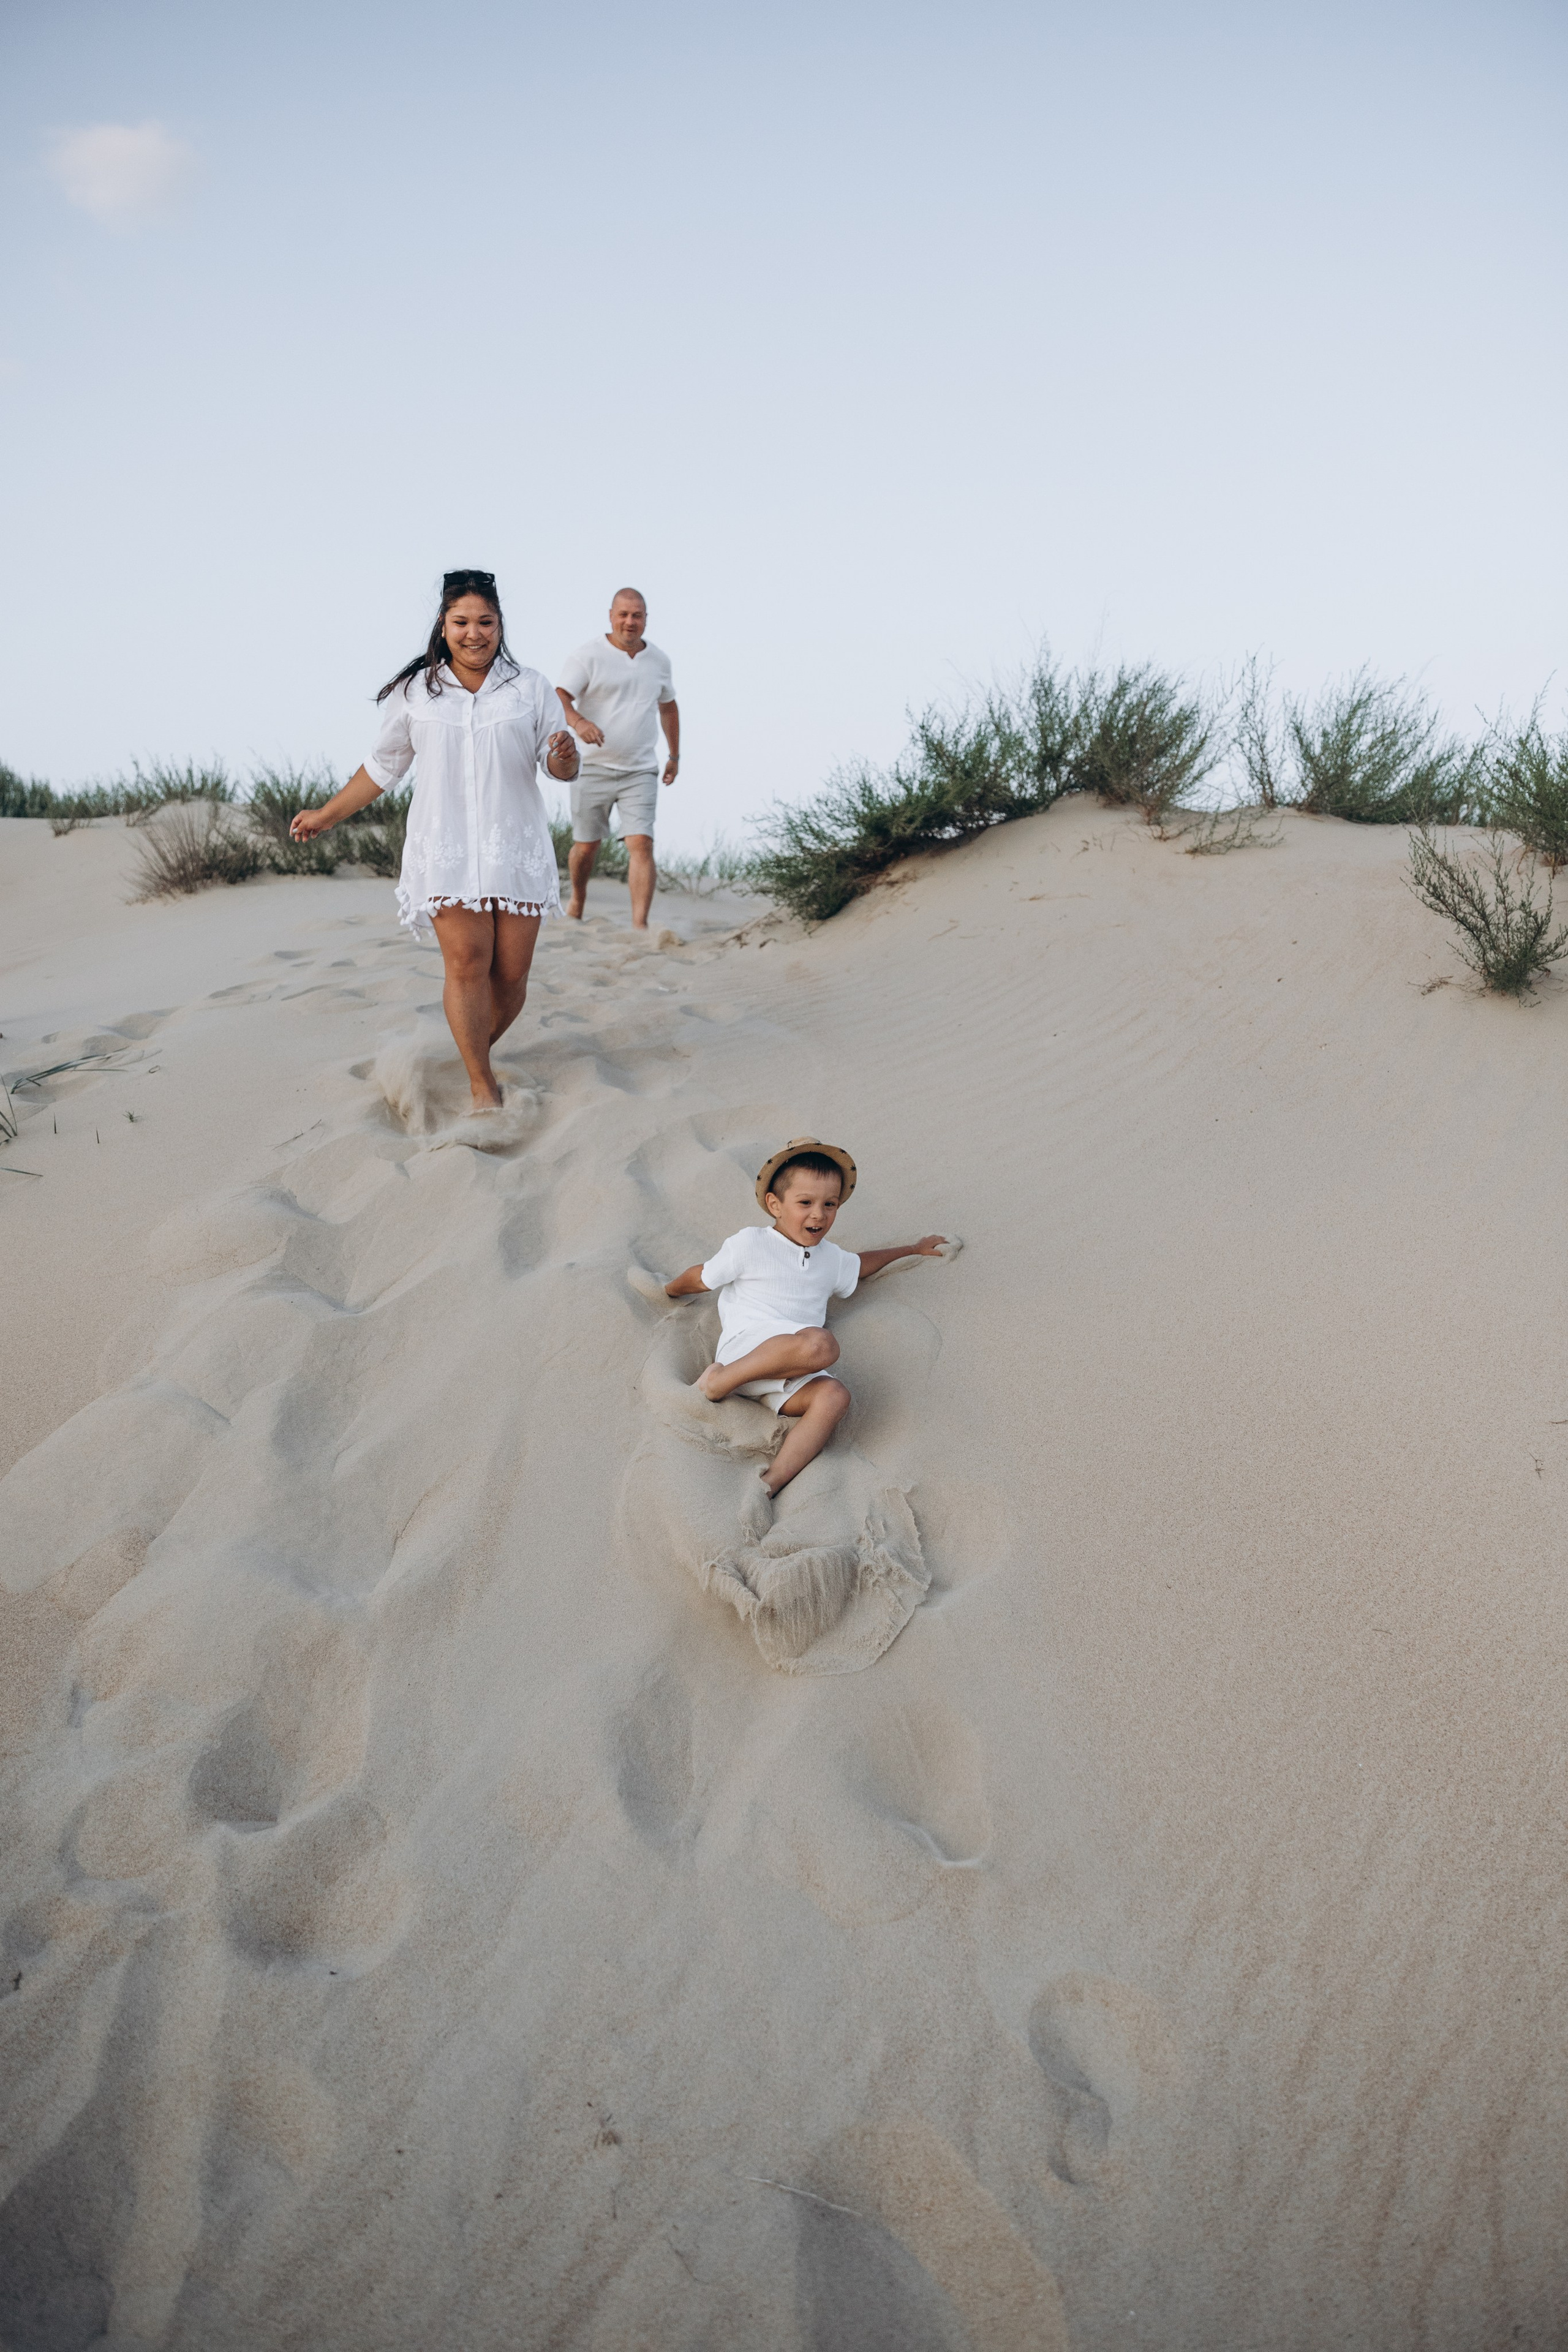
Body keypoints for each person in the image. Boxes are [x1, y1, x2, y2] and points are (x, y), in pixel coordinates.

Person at [290, 570, 578, 1111]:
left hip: (512, 848)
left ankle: (469, 1051)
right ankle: (480, 1082)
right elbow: (383, 767)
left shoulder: (530, 687)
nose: (475, 633)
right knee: (468, 961)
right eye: (462, 622)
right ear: (443, 627)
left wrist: (564, 756)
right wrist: (327, 814)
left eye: (485, 622)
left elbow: (558, 765)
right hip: (444, 847)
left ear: (500, 624)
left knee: (511, 979)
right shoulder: (416, 692)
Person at [663, 1139, 948, 1508]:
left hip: (788, 1376)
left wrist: (911, 1249)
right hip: (747, 1356)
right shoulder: (752, 1243)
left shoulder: (829, 1258)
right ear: (775, 1205)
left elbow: (859, 1266)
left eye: (830, 1204)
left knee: (835, 1396)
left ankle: (770, 1484)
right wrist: (668, 1290)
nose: (819, 1214)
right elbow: (702, 1277)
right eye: (806, 1203)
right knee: (821, 1345)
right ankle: (718, 1382)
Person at [556, 588, 679, 930]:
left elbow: (668, 706)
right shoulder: (588, 656)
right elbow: (560, 696)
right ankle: (578, 899)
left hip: (640, 769)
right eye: (623, 614)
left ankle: (640, 926)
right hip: (593, 767)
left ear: (646, 619)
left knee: (641, 842)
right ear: (611, 616)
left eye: (637, 615)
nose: (630, 622)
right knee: (587, 846)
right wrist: (579, 722)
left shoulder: (659, 661)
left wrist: (674, 755)